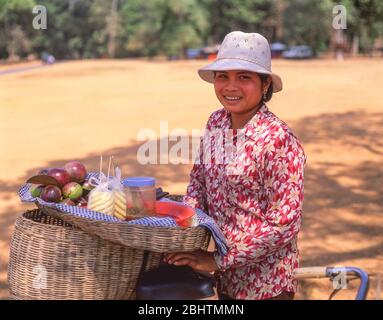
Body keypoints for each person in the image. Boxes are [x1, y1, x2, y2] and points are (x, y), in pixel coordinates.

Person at [164, 31, 306, 300]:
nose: (230, 87)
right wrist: (183, 226)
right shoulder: (217, 121)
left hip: (265, 285)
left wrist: (218, 260)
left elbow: (283, 226)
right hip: (226, 281)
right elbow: (199, 182)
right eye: (223, 76)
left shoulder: (277, 141)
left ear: (265, 85)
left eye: (244, 77)